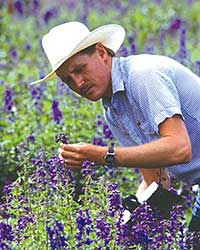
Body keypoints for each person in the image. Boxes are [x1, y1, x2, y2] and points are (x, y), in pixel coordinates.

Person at [30, 21, 200, 231]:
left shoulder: (143, 75)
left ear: (101, 52)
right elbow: (157, 179)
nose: (78, 83)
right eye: (68, 80)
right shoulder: (113, 110)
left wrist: (102, 155)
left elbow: (179, 149)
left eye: (80, 69)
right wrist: (121, 227)